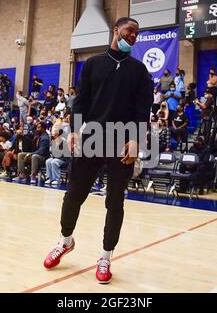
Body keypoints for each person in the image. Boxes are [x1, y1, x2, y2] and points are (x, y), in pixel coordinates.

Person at [43, 17, 153, 284]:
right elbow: (81, 101)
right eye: (129, 31)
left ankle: (105, 256)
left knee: (115, 201)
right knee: (73, 195)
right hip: (90, 140)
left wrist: (137, 139)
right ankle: (66, 240)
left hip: (123, 143)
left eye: (137, 34)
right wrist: (75, 130)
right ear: (116, 31)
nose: (133, 36)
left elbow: (143, 108)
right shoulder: (93, 64)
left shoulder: (139, 71)